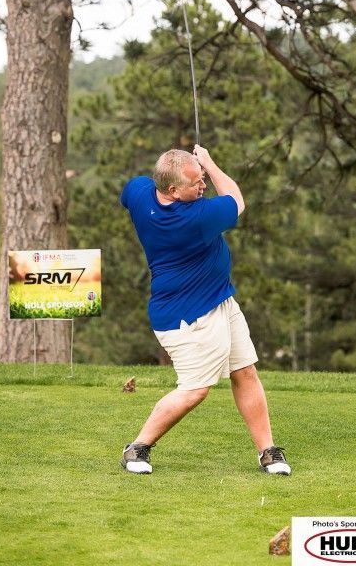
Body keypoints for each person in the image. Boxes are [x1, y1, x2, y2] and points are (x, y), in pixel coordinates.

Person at [119, 144, 291, 476]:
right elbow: (238, 201)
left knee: (245, 372)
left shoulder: (141, 191)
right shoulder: (195, 217)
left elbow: (131, 193)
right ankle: (137, 447)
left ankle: (268, 450)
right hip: (188, 316)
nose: (203, 186)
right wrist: (209, 163)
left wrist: (185, 167)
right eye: (196, 182)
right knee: (195, 390)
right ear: (172, 190)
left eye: (202, 179)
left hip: (220, 300)